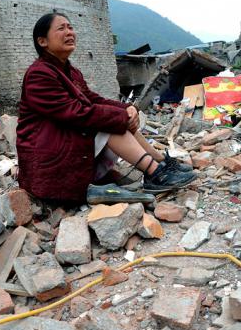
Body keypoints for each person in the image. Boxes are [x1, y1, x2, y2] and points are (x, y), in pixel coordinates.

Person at [16, 12, 196, 204]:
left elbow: (93, 99)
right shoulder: (39, 75)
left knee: (117, 117)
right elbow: (75, 113)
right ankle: (155, 174)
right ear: (43, 41)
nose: (69, 32)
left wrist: (127, 108)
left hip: (64, 143)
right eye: (61, 28)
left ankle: (160, 162)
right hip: (47, 161)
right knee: (108, 123)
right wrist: (120, 116)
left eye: (70, 27)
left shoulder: (70, 71)